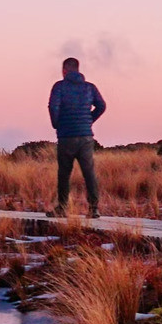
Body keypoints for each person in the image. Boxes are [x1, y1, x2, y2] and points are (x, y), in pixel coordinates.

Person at [47, 57, 106, 218]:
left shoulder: (59, 87)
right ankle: (94, 209)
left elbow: (53, 107)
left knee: (64, 174)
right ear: (78, 70)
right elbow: (102, 106)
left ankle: (62, 208)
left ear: (64, 70)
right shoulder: (89, 87)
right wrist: (88, 120)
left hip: (66, 136)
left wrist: (57, 124)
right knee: (89, 173)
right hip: (86, 136)